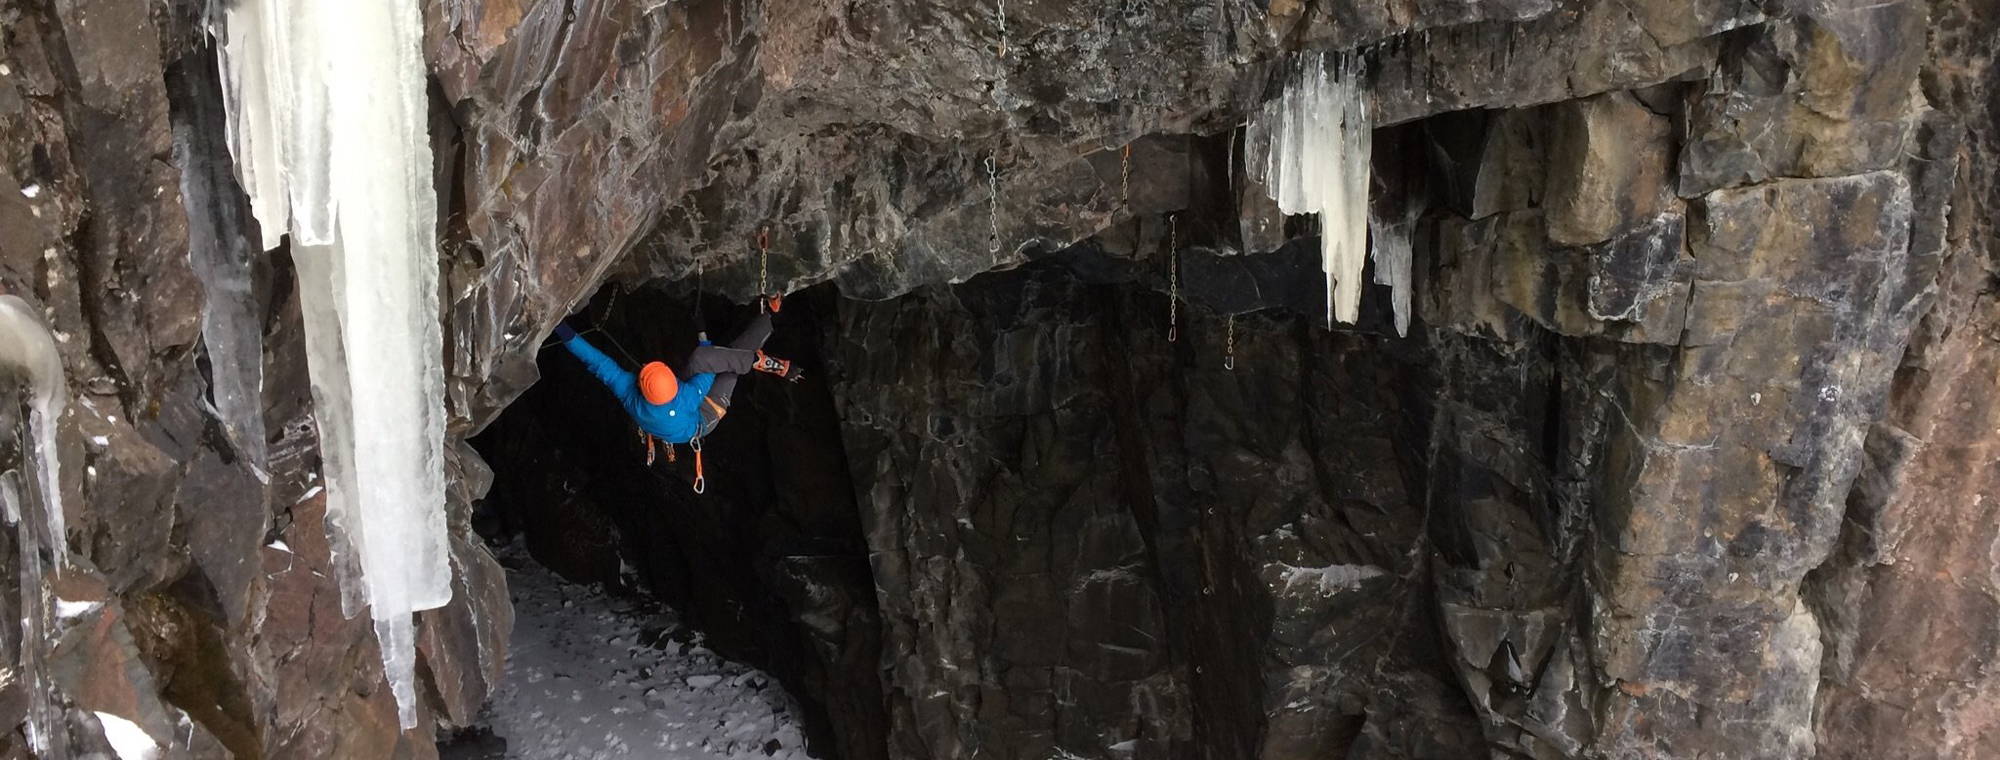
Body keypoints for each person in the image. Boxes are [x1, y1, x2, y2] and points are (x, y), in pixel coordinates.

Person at [552, 295, 802, 446]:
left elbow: (599, 364)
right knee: (729, 366)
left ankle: (762, 337)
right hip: (704, 417)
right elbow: (711, 365)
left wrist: (564, 331)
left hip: (675, 414)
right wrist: (702, 335)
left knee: (712, 357)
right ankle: (769, 326)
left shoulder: (630, 395)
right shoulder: (686, 396)